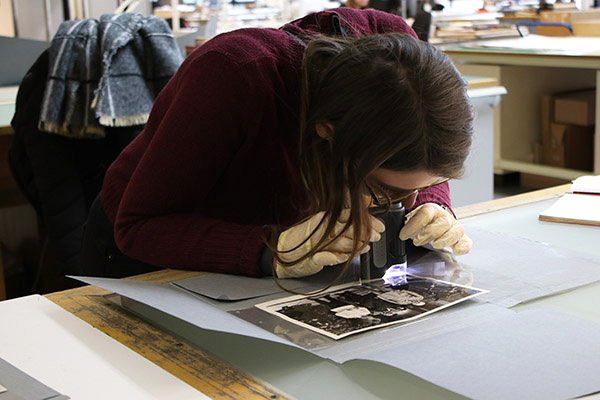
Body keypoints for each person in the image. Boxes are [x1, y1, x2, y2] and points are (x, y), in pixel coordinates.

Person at [82, 8, 474, 281]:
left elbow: (419, 153)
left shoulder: (399, 51)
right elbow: (139, 226)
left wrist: (432, 202)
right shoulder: (233, 74)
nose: (400, 202)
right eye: (388, 190)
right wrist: (273, 248)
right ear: (328, 133)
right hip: (149, 251)